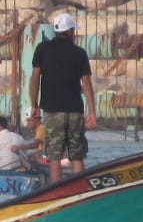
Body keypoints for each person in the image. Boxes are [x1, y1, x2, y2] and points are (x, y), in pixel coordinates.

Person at [29, 13, 97, 182]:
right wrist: (92, 112)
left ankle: (56, 193)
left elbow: (35, 78)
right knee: (76, 155)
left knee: (54, 156)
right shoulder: (80, 53)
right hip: (75, 111)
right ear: (69, 31)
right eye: (73, 30)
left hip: (52, 111)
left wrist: (34, 104)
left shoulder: (42, 49)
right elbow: (87, 83)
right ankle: (79, 192)